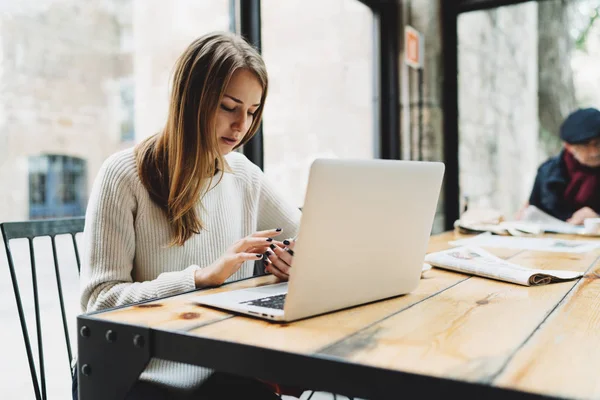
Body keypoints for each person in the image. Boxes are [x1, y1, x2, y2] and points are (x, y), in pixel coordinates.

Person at [73, 32, 302, 400]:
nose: (242, 124)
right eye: (229, 106)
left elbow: (311, 236)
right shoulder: (123, 175)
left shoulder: (243, 175)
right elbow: (100, 302)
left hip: (219, 366)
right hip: (136, 374)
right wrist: (198, 279)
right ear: (193, 99)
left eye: (252, 111)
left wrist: (297, 261)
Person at [524, 107, 600, 225]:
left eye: (598, 144)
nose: (595, 152)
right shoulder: (547, 172)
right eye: (585, 146)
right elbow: (533, 212)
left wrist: (597, 219)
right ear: (569, 147)